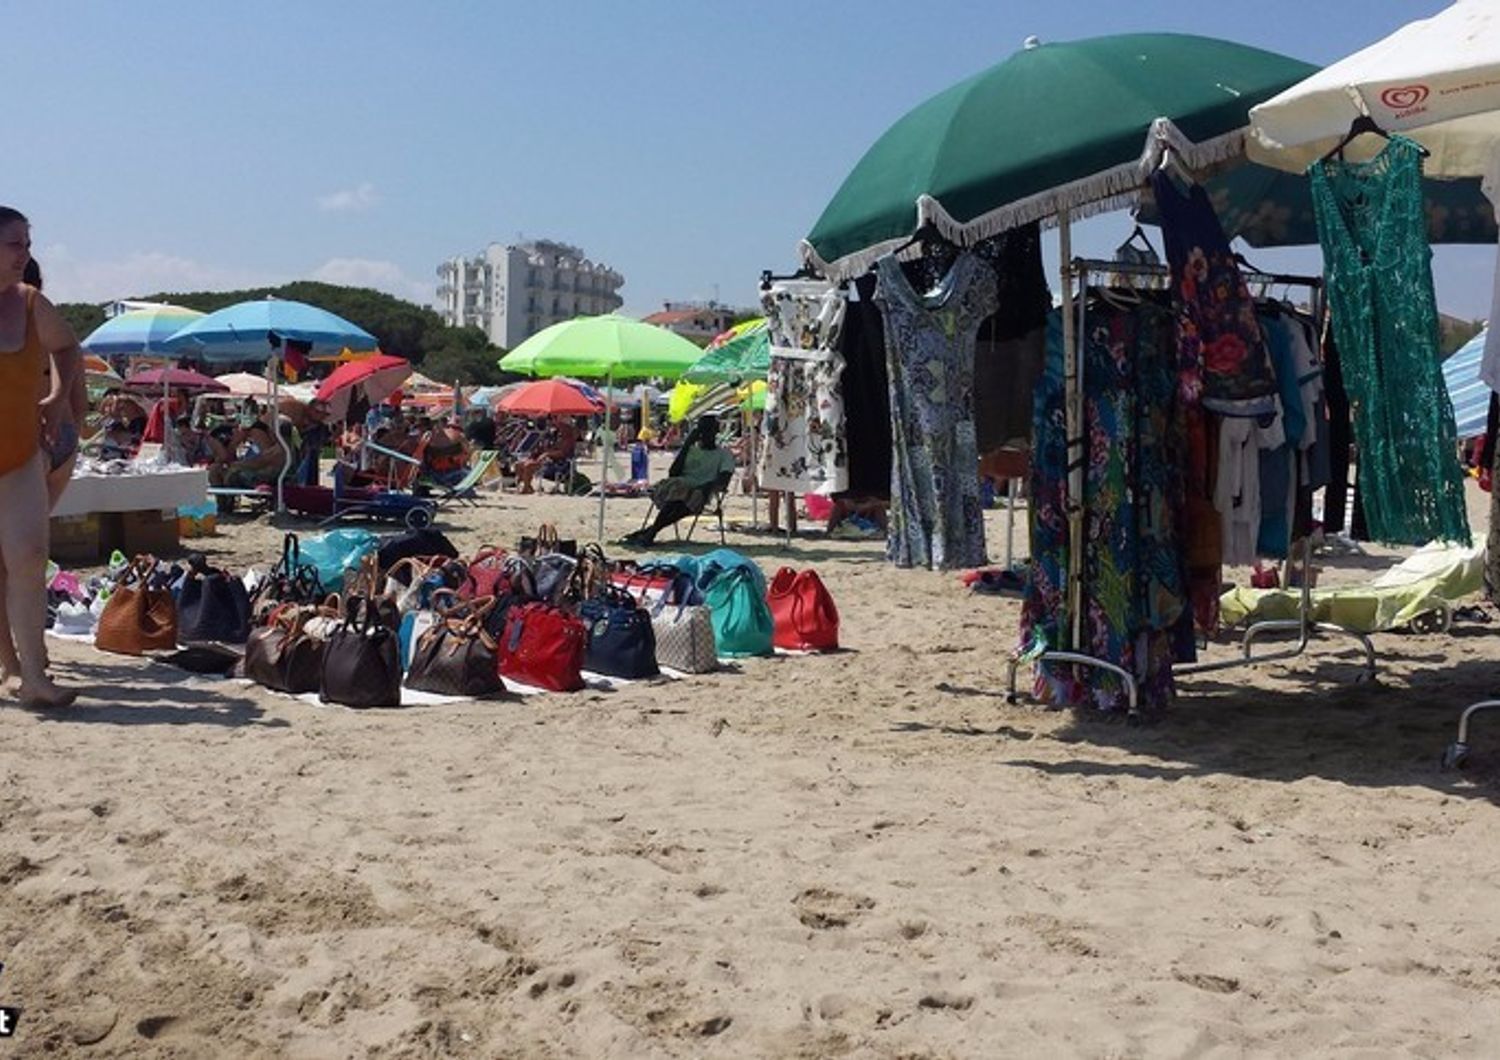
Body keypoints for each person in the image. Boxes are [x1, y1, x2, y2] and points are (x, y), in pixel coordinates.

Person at [0, 206, 81, 706]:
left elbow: (68, 348)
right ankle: (11, 665)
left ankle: (33, 677)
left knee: (28, 557)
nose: (25, 254)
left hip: (19, 454)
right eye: (15, 244)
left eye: (27, 244)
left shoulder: (31, 303)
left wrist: (56, 400)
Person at [621, 414, 735, 547]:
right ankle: (650, 533)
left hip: (702, 490)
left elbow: (724, 478)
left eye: (709, 431)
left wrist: (708, 486)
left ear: (716, 433)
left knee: (682, 497)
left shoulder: (723, 454)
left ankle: (650, 532)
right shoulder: (691, 451)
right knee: (677, 491)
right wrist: (687, 445)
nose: (706, 435)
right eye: (703, 431)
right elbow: (673, 472)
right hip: (679, 487)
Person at [514, 418, 579, 494]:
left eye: (561, 426)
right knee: (518, 465)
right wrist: (539, 450)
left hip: (558, 464)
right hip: (546, 460)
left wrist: (547, 454)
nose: (558, 428)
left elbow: (562, 453)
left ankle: (526, 488)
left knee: (529, 466)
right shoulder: (553, 436)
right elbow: (545, 448)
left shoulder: (568, 439)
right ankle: (528, 486)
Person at [419, 417, 470, 488]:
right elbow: (467, 453)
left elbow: (420, 457)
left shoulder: (427, 438)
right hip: (454, 476)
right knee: (467, 471)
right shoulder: (460, 437)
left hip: (432, 476)